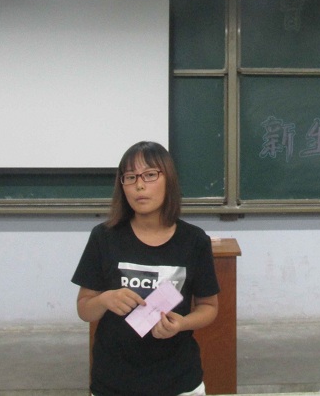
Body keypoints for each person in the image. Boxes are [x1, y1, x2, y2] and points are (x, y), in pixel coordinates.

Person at [72, 141, 220, 396]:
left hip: (178, 381)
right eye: (130, 177)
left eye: (150, 175)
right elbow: (84, 309)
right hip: (114, 382)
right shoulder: (104, 237)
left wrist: (182, 323)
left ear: (168, 179)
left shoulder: (194, 241)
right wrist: (106, 299)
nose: (139, 185)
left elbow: (209, 307)